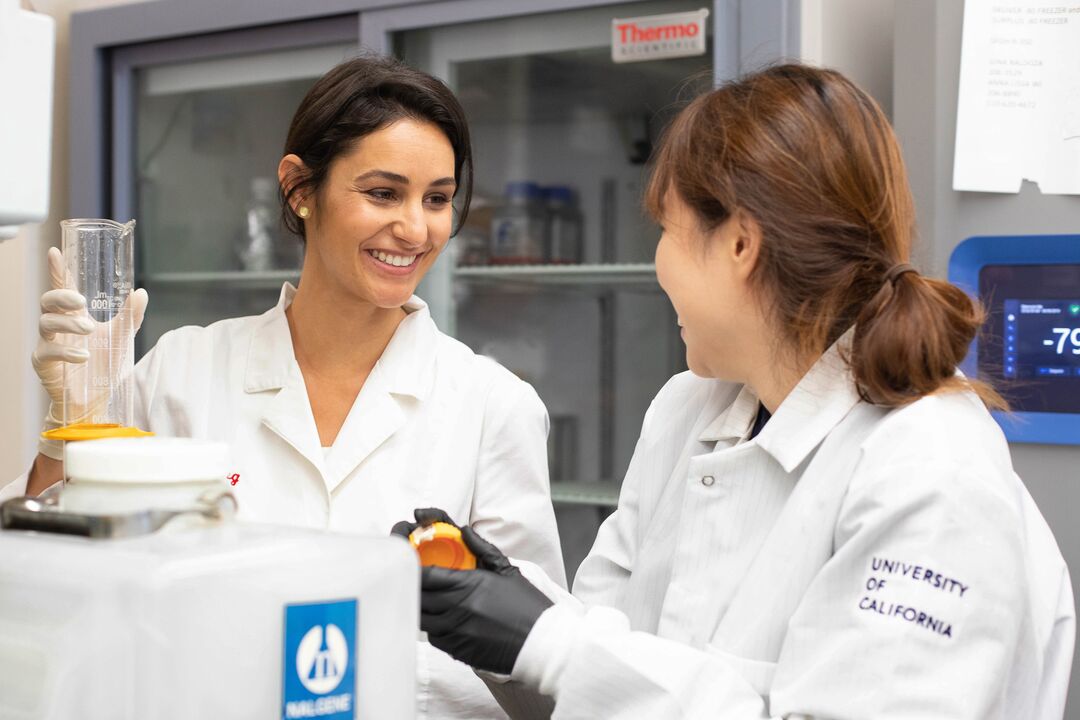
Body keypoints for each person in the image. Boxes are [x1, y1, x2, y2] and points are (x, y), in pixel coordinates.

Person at [395, 64, 1075, 719]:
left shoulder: (930, 470)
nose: (657, 261)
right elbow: (593, 682)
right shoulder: (687, 410)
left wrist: (549, 642)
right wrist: (505, 620)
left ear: (741, 244)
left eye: (666, 229)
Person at [6, 55, 566, 720]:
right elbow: (43, 594)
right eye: (383, 193)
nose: (417, 229)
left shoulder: (490, 405)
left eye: (438, 199)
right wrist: (73, 422)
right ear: (301, 188)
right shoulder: (181, 372)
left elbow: (543, 679)